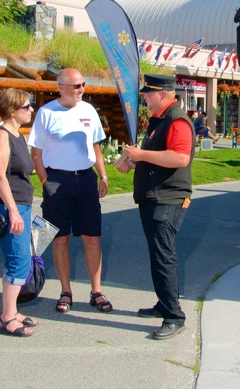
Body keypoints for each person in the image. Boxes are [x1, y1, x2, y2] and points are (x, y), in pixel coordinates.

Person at [28, 68, 112, 314]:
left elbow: (95, 146)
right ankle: (66, 291)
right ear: (61, 87)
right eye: (76, 86)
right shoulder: (46, 113)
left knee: (92, 238)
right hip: (57, 180)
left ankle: (96, 291)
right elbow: (37, 153)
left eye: (82, 84)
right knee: (60, 237)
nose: (81, 89)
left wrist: (103, 175)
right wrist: (46, 183)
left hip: (85, 179)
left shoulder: (88, 110)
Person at [117, 74, 194, 340]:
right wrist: (135, 162)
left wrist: (141, 155)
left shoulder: (177, 120)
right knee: (158, 254)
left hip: (168, 199)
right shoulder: (160, 119)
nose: (145, 98)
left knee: (163, 256)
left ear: (162, 94)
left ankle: (174, 316)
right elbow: (160, 156)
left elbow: (180, 157)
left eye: (148, 94)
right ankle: (164, 304)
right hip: (155, 198)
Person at [0, 88, 37, 337]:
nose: (31, 110)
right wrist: (13, 211)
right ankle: (6, 318)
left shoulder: (18, 135)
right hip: (9, 207)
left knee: (21, 258)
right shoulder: (1, 136)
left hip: (22, 205)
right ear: (13, 110)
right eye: (27, 106)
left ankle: (13, 310)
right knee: (18, 259)